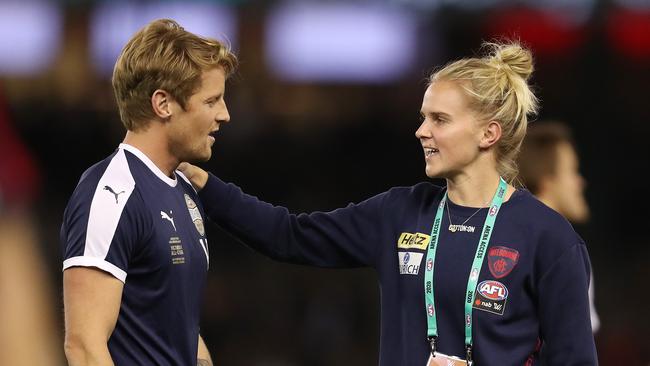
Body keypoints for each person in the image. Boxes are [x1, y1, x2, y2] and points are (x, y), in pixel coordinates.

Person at [180, 41, 597, 365]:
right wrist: (207, 185)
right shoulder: (399, 213)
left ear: (488, 134)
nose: (420, 131)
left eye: (439, 119)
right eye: (423, 116)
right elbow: (290, 235)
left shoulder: (549, 238)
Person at [61, 19, 236, 365]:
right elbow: (83, 345)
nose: (225, 115)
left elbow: (179, 325)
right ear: (163, 104)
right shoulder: (111, 193)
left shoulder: (185, 190)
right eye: (212, 101)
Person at [517, 121, 600, 333]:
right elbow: (574, 346)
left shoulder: (500, 235)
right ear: (547, 180)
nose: (580, 182)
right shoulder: (564, 248)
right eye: (572, 171)